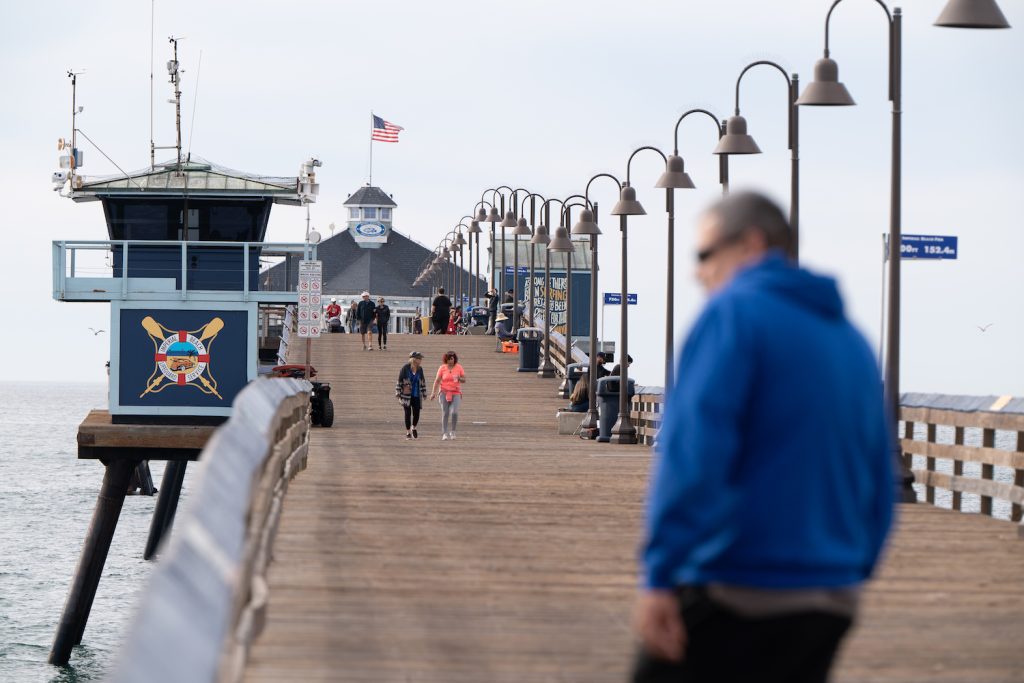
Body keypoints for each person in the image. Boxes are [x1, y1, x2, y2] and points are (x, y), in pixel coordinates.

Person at [632, 192, 894, 683]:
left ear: (752, 244)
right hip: (829, 596)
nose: (698, 272)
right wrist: (854, 566)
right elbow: (877, 471)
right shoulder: (850, 338)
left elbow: (694, 458)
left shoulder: (733, 314)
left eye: (705, 255)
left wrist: (660, 575)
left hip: (736, 583)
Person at [428, 350, 466, 441]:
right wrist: (433, 392)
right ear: (446, 359)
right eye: (449, 359)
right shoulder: (442, 368)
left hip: (455, 392)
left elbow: (464, 379)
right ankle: (444, 433)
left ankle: (453, 431)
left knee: (454, 412)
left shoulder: (459, 367)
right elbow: (437, 381)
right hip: (444, 392)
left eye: (452, 359)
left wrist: (459, 378)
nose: (451, 361)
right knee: (445, 413)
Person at [396, 351, 426, 440]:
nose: (420, 360)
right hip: (406, 395)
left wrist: (424, 392)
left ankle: (413, 427)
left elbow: (422, 381)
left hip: (417, 394)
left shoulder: (420, 369)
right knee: (407, 413)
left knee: (417, 412)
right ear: (414, 359)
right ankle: (408, 432)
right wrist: (398, 393)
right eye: (419, 358)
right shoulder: (405, 368)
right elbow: (399, 380)